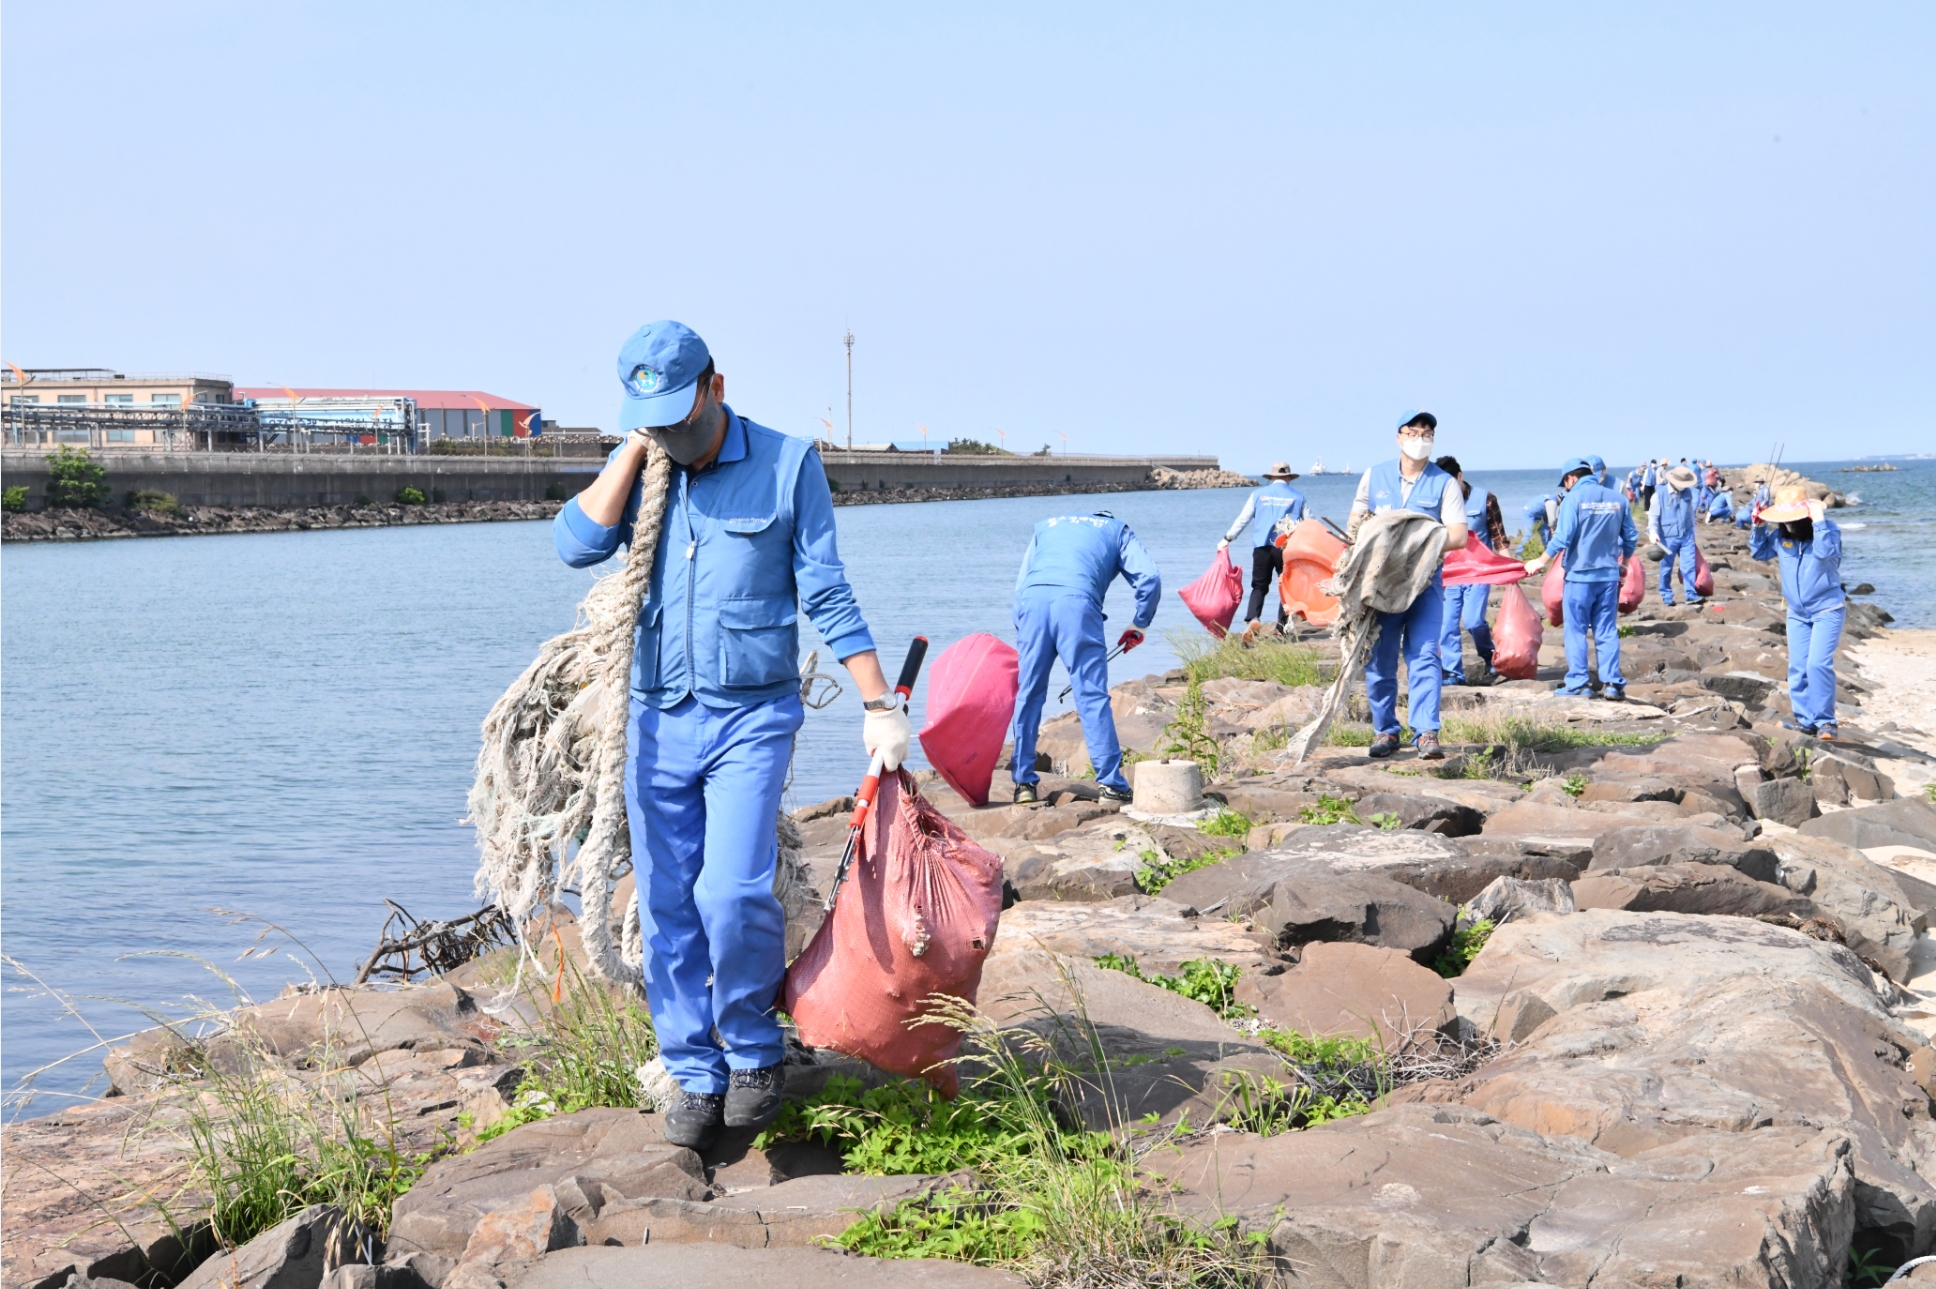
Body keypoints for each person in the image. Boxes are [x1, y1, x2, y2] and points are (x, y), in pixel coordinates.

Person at [553, 321, 906, 1150]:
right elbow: (574, 546)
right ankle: (693, 1069)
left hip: (751, 718)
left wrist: (877, 704)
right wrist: (636, 453)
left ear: (717, 385)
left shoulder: (788, 464)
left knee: (732, 890)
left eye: (682, 413)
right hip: (658, 715)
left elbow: (826, 591)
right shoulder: (649, 472)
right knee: (668, 902)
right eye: (655, 419)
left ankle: (751, 1049)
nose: (677, 432)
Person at [1010, 511, 1161, 804]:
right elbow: (1150, 577)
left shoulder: (1046, 525)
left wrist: (1026, 627)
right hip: (1077, 605)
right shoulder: (1118, 531)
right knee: (1090, 695)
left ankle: (1023, 784)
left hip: (1032, 602)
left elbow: (1020, 586)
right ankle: (1111, 784)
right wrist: (1140, 622)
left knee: (1028, 693)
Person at [1346, 411, 1469, 759]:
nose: (1420, 438)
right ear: (1399, 438)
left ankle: (1426, 732)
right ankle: (1385, 731)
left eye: (1427, 433)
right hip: (1381, 588)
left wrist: (1415, 540)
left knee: (1426, 655)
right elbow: (1356, 524)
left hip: (1424, 584)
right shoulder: (1375, 476)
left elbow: (1458, 536)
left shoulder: (1444, 483)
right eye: (1413, 432)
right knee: (1380, 660)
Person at [1524, 457, 1637, 699]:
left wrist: (1539, 561)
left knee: (1575, 631)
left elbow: (1562, 537)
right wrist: (1624, 566)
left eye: (1565, 483)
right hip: (1608, 577)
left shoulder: (1572, 499)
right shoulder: (1618, 499)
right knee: (1606, 630)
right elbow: (1631, 537)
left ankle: (1579, 684)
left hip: (1579, 577)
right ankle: (1613, 684)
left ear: (1571, 478)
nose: (1566, 488)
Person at [1751, 486, 1845, 739]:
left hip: (1827, 610)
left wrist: (1819, 521)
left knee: (1818, 665)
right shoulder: (1781, 537)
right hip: (1797, 613)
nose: (1788, 522)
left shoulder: (1828, 531)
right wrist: (1758, 525)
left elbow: (1826, 553)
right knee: (1798, 668)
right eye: (1783, 518)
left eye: (1792, 517)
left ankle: (1826, 722)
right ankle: (1805, 722)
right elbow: (1758, 552)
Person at [1434, 455, 1506, 686]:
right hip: (1450, 574)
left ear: (1460, 476)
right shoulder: (1436, 503)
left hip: (1479, 572)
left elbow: (1500, 538)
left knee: (1474, 621)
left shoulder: (1486, 499)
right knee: (1447, 625)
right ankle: (1454, 672)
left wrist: (1510, 571)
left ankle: (1488, 655)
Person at [1218, 463, 1306, 644]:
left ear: (1271, 478)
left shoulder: (1258, 495)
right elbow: (1310, 524)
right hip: (1286, 548)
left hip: (1262, 548)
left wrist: (1228, 538)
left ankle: (1254, 619)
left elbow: (1243, 519)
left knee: (1259, 586)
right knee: (1287, 587)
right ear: (1289, 478)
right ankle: (1281, 630)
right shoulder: (1298, 497)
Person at [1648, 464, 1704, 606]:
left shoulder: (1687, 493)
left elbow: (1690, 513)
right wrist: (1653, 533)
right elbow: (1653, 516)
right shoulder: (1658, 495)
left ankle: (1690, 594)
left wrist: (1693, 530)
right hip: (1667, 538)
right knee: (1666, 567)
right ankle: (1666, 594)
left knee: (1688, 565)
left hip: (1686, 535)